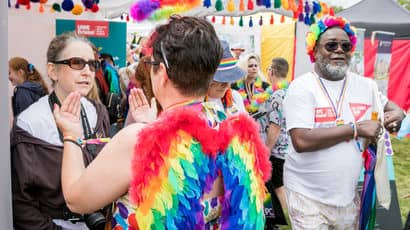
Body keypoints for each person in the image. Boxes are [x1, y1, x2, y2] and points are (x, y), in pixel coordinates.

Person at [52, 15, 271, 229]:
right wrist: (152, 125)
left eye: (151, 64)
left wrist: (71, 134)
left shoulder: (140, 140)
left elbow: (76, 199)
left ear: (163, 73)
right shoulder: (236, 131)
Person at [282, 16, 405, 229]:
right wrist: (355, 129)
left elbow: (395, 109)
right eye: (331, 45)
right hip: (306, 195)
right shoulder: (301, 87)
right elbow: (301, 141)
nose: (339, 50)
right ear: (315, 51)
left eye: (345, 46)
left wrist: (395, 118)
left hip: (347, 195)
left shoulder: (366, 86)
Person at [11, 32, 110, 230]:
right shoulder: (30, 123)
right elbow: (21, 203)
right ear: (53, 71)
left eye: (92, 64)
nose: (87, 72)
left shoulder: (98, 112)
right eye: (76, 63)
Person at [259, 57, 290, 226]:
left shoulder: (277, 96)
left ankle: (288, 222)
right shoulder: (290, 90)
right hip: (289, 150)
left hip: (279, 152)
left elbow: (275, 126)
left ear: (271, 71)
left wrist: (267, 149)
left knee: (279, 188)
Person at [205, 40, 246, 115]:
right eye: (221, 79)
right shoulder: (195, 106)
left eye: (229, 78)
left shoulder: (235, 97)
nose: (226, 85)